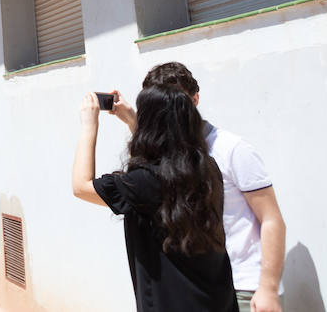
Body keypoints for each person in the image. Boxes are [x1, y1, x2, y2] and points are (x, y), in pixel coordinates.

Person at [111, 63, 286, 312]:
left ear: (195, 99)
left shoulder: (232, 149)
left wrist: (268, 288)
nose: (170, 109)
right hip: (202, 290)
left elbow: (271, 218)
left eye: (176, 100)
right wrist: (133, 121)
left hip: (245, 290)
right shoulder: (168, 154)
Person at [73, 86, 236, 311]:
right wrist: (132, 120)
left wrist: (89, 126)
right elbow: (163, 158)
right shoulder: (208, 168)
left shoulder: (146, 182)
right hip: (217, 301)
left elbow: (82, 187)